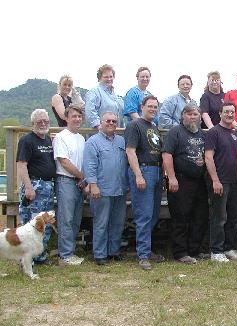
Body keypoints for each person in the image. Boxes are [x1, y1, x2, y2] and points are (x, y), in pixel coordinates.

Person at [162, 104, 208, 264]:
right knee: (181, 217)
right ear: (183, 116)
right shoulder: (175, 132)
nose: (192, 117)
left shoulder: (202, 134)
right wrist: (172, 178)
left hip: (199, 182)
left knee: (199, 216)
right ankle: (180, 252)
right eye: (189, 114)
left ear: (200, 117)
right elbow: (167, 155)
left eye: (195, 114)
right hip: (180, 181)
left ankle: (194, 250)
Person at [125, 95, 164, 270]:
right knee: (144, 215)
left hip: (156, 171)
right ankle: (142, 255)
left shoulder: (154, 127)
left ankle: (147, 251)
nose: (153, 109)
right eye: (150, 106)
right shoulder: (134, 125)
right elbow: (130, 151)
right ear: (142, 106)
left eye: (156, 107)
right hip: (143, 170)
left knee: (154, 215)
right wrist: (138, 175)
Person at [83, 112, 128, 265]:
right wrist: (93, 185)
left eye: (114, 121)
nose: (111, 123)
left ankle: (113, 251)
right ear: (100, 123)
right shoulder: (92, 142)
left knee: (118, 222)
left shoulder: (122, 141)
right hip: (101, 189)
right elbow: (89, 165)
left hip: (120, 189)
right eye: (107, 121)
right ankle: (100, 254)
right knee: (101, 223)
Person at [205, 102, 237, 262]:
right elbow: (208, 157)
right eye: (226, 112)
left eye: (232, 112)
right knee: (219, 217)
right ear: (220, 113)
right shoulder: (214, 132)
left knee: (233, 217)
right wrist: (215, 180)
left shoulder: (235, 134)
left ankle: (228, 248)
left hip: (234, 181)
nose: (229, 114)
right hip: (220, 182)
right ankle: (216, 250)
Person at [16, 109, 56, 265]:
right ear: (32, 123)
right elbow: (21, 164)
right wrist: (28, 187)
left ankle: (40, 256)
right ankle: (26, 260)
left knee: (44, 225)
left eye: (46, 121)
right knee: (30, 226)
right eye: (39, 121)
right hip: (34, 186)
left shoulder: (48, 140)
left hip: (48, 187)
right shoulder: (27, 141)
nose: (43, 124)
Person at [53, 105, 86, 266]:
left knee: (75, 219)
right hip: (66, 181)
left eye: (79, 116)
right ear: (67, 118)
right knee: (66, 219)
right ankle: (65, 255)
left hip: (79, 183)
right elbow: (64, 162)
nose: (77, 119)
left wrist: (83, 179)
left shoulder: (81, 138)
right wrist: (82, 176)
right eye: (74, 116)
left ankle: (70, 251)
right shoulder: (61, 137)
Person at [85, 64, 124, 128]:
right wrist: (98, 125)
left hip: (114, 133)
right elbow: (90, 111)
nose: (109, 79)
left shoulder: (115, 96)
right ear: (99, 78)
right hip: (99, 133)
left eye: (111, 76)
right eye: (106, 77)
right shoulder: (94, 92)